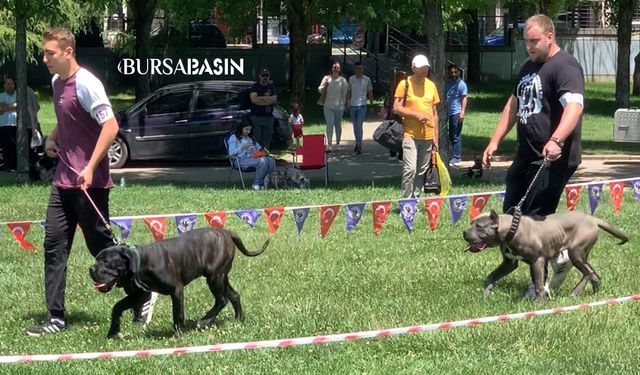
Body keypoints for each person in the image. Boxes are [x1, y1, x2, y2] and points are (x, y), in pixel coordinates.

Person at [26, 27, 157, 336]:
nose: (44, 58)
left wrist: (89, 165)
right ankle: (55, 317)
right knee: (54, 245)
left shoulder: (87, 83)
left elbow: (110, 127)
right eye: (44, 53)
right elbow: (66, 117)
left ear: (68, 52)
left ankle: (142, 293)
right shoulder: (57, 82)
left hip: (90, 183)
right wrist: (53, 139)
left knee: (103, 249)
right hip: (63, 181)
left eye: (50, 53)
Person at [481, 14, 585, 299]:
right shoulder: (529, 67)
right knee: (510, 218)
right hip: (525, 155)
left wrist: (556, 139)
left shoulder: (565, 67)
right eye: (526, 41)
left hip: (553, 158)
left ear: (550, 37)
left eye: (534, 41)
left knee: (534, 220)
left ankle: (539, 286)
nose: (529, 46)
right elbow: (513, 104)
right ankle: (559, 257)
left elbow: (574, 107)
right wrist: (494, 141)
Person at [393, 54, 440, 199]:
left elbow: (434, 113)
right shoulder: (404, 84)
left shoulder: (431, 85)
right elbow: (396, 108)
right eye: (420, 68)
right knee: (410, 169)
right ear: (413, 68)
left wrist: (436, 139)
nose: (423, 70)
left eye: (425, 67)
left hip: (428, 135)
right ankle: (406, 202)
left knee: (421, 171)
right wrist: (416, 115)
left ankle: (416, 201)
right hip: (410, 134)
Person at [227, 121, 276, 190]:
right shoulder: (234, 138)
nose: (248, 132)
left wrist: (263, 152)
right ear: (241, 128)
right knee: (262, 161)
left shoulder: (251, 139)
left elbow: (259, 149)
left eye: (250, 130)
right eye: (246, 129)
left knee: (271, 160)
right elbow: (231, 153)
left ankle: (268, 182)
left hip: (252, 158)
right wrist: (242, 147)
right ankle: (256, 183)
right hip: (239, 160)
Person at [318, 61, 348, 152]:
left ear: (340, 69)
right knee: (329, 125)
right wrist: (325, 86)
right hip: (328, 105)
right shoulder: (326, 78)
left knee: (338, 125)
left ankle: (338, 143)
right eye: (334, 67)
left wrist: (346, 104)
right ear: (331, 68)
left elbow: (345, 94)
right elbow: (320, 89)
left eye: (337, 68)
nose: (336, 69)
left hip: (339, 106)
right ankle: (330, 144)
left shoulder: (343, 80)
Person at [347, 62, 373, 154]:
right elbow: (349, 92)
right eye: (357, 68)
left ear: (362, 69)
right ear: (355, 69)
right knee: (355, 126)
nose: (359, 70)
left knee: (359, 125)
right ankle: (357, 143)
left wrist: (371, 103)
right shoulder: (351, 79)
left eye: (360, 68)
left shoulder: (367, 80)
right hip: (353, 106)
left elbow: (370, 92)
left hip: (362, 105)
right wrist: (347, 103)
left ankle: (359, 145)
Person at [445, 63, 468, 167]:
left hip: (456, 112)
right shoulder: (447, 82)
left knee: (456, 135)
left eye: (455, 72)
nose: (453, 74)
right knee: (450, 135)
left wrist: (462, 112)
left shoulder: (462, 84)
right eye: (451, 72)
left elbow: (464, 99)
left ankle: (457, 157)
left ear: (458, 72)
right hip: (447, 112)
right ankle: (451, 154)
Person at [249, 68, 277, 150]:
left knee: (267, 140)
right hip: (256, 117)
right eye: (263, 75)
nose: (265, 77)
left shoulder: (271, 87)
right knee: (257, 139)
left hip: (268, 117)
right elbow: (254, 100)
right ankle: (257, 158)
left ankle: (265, 157)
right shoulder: (255, 87)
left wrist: (260, 98)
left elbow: (274, 100)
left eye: (267, 75)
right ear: (259, 76)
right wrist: (268, 99)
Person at [0, 77, 17, 171]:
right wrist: (14, 105)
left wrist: (6, 107)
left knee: (15, 145)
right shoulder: (1, 96)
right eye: (8, 84)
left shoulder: (18, 95)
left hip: (15, 124)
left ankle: (15, 165)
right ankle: (7, 165)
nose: (10, 86)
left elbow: (4, 108)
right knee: (5, 146)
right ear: (4, 86)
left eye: (12, 84)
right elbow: (1, 110)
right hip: (3, 124)